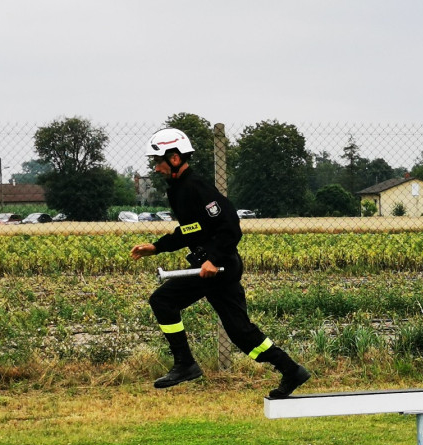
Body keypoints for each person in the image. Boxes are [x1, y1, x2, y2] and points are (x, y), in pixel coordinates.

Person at [130, 128, 310, 398]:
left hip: (218, 268)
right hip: (212, 267)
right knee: (241, 333)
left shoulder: (195, 187)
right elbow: (192, 231)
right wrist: (156, 247)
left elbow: (230, 226)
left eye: (158, 162)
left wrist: (213, 259)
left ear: (175, 158)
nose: (156, 169)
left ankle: (185, 364)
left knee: (163, 301)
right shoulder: (179, 190)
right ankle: (291, 370)